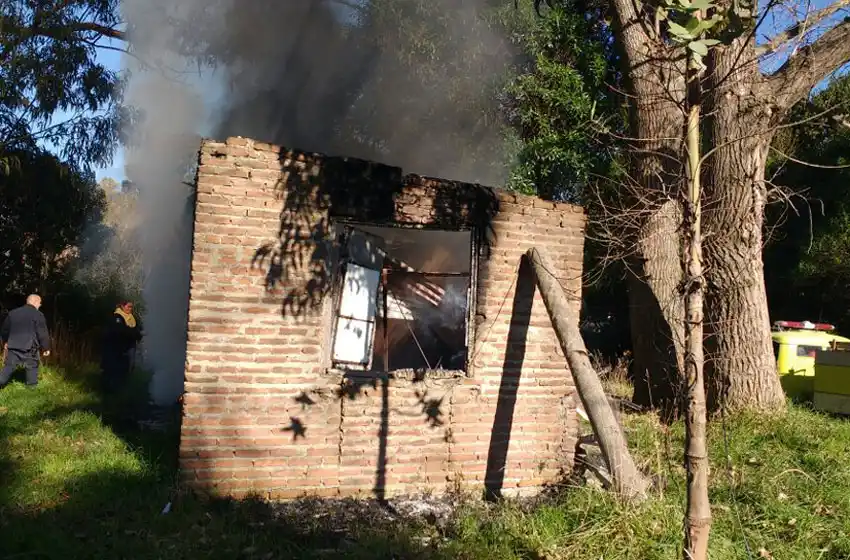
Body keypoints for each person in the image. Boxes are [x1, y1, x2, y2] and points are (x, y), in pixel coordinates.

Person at [0, 294, 51, 389]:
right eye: (40, 303)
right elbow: (42, 332)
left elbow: (5, 330)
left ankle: (1, 381)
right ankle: (31, 388)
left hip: (13, 345)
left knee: (8, 367)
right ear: (35, 302)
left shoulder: (13, 313)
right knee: (32, 366)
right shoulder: (38, 315)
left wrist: (5, 341)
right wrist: (46, 347)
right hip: (29, 347)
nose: (40, 305)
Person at [100, 300, 143, 394]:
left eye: (131, 307)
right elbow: (121, 331)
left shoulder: (132, 318)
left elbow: (137, 329)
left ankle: (124, 386)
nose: (130, 309)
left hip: (130, 345)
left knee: (130, 365)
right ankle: (112, 388)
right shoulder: (117, 317)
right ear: (122, 307)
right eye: (128, 307)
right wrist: (133, 333)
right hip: (119, 345)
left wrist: (137, 334)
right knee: (117, 366)